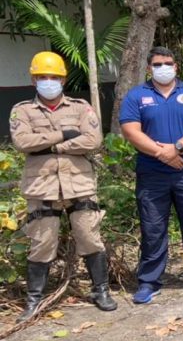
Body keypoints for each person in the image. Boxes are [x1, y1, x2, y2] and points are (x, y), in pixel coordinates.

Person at [10, 51, 116, 322]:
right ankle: (34, 300)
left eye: (54, 77)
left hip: (79, 184)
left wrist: (51, 144)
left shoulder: (80, 107)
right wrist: (65, 134)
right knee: (42, 243)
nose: (49, 81)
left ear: (63, 79)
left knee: (90, 237)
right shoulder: (22, 110)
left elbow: (93, 140)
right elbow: (22, 142)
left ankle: (100, 291)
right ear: (34, 80)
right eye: (43, 77)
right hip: (41, 185)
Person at [120, 46, 183, 304]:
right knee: (153, 229)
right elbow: (131, 131)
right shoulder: (137, 96)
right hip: (152, 175)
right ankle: (149, 281)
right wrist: (161, 153)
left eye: (168, 63)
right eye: (157, 64)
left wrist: (177, 148)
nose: (163, 67)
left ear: (176, 66)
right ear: (148, 68)